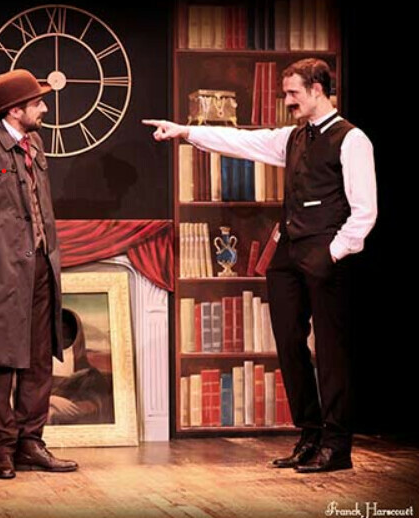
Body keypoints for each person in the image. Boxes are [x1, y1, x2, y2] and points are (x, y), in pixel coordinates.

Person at [143, 58, 377, 473]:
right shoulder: (293, 136)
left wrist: (333, 252)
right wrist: (185, 131)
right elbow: (241, 142)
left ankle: (336, 445)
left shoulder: (352, 139)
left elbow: (365, 211)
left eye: (293, 93)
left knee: (331, 350)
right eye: (285, 93)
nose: (287, 101)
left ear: (318, 89)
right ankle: (309, 434)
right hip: (289, 253)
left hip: (326, 253)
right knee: (288, 343)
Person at [0, 69, 78, 479]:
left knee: (39, 358)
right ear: (15, 109)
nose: (44, 108)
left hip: (39, 265)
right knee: (2, 359)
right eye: (37, 102)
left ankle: (30, 443)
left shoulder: (34, 143)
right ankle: (2, 448)